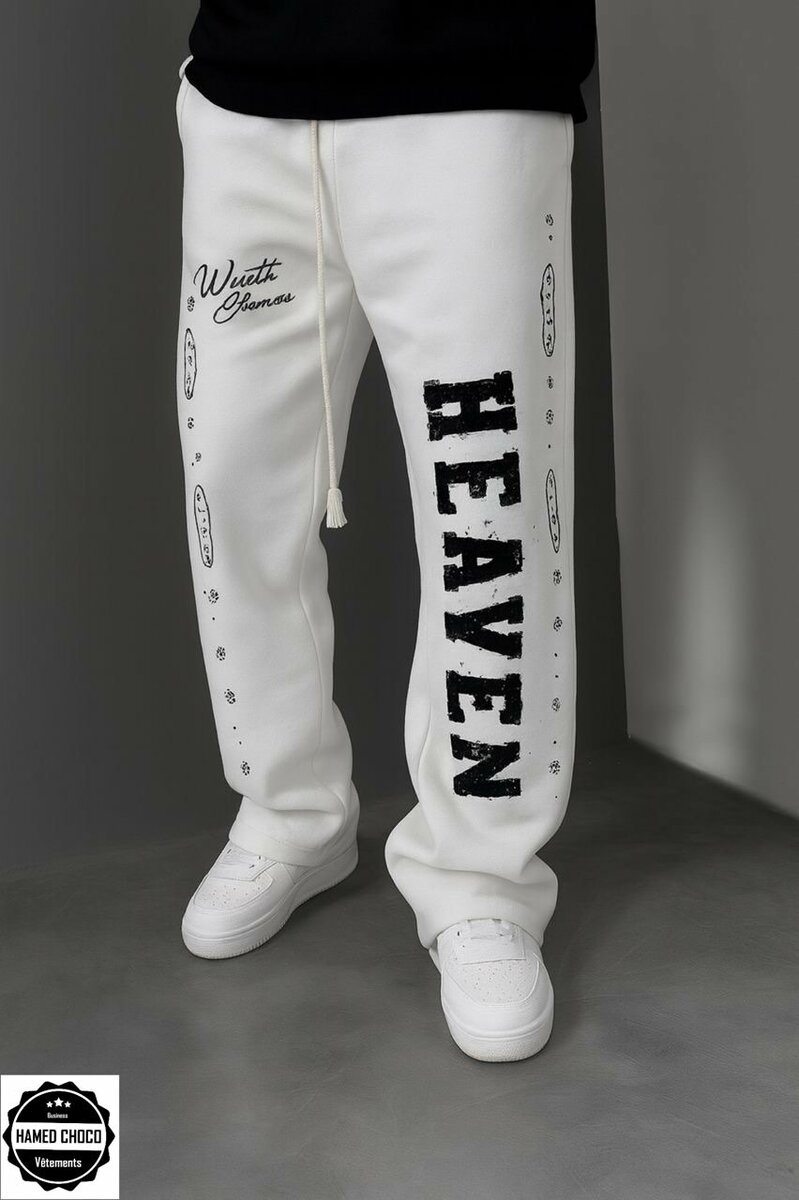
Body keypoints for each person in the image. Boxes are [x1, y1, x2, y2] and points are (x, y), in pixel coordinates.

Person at [174, 0, 597, 1063]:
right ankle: (290, 809)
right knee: (233, 481)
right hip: (248, 89)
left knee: (483, 507)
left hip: (471, 84)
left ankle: (480, 877)